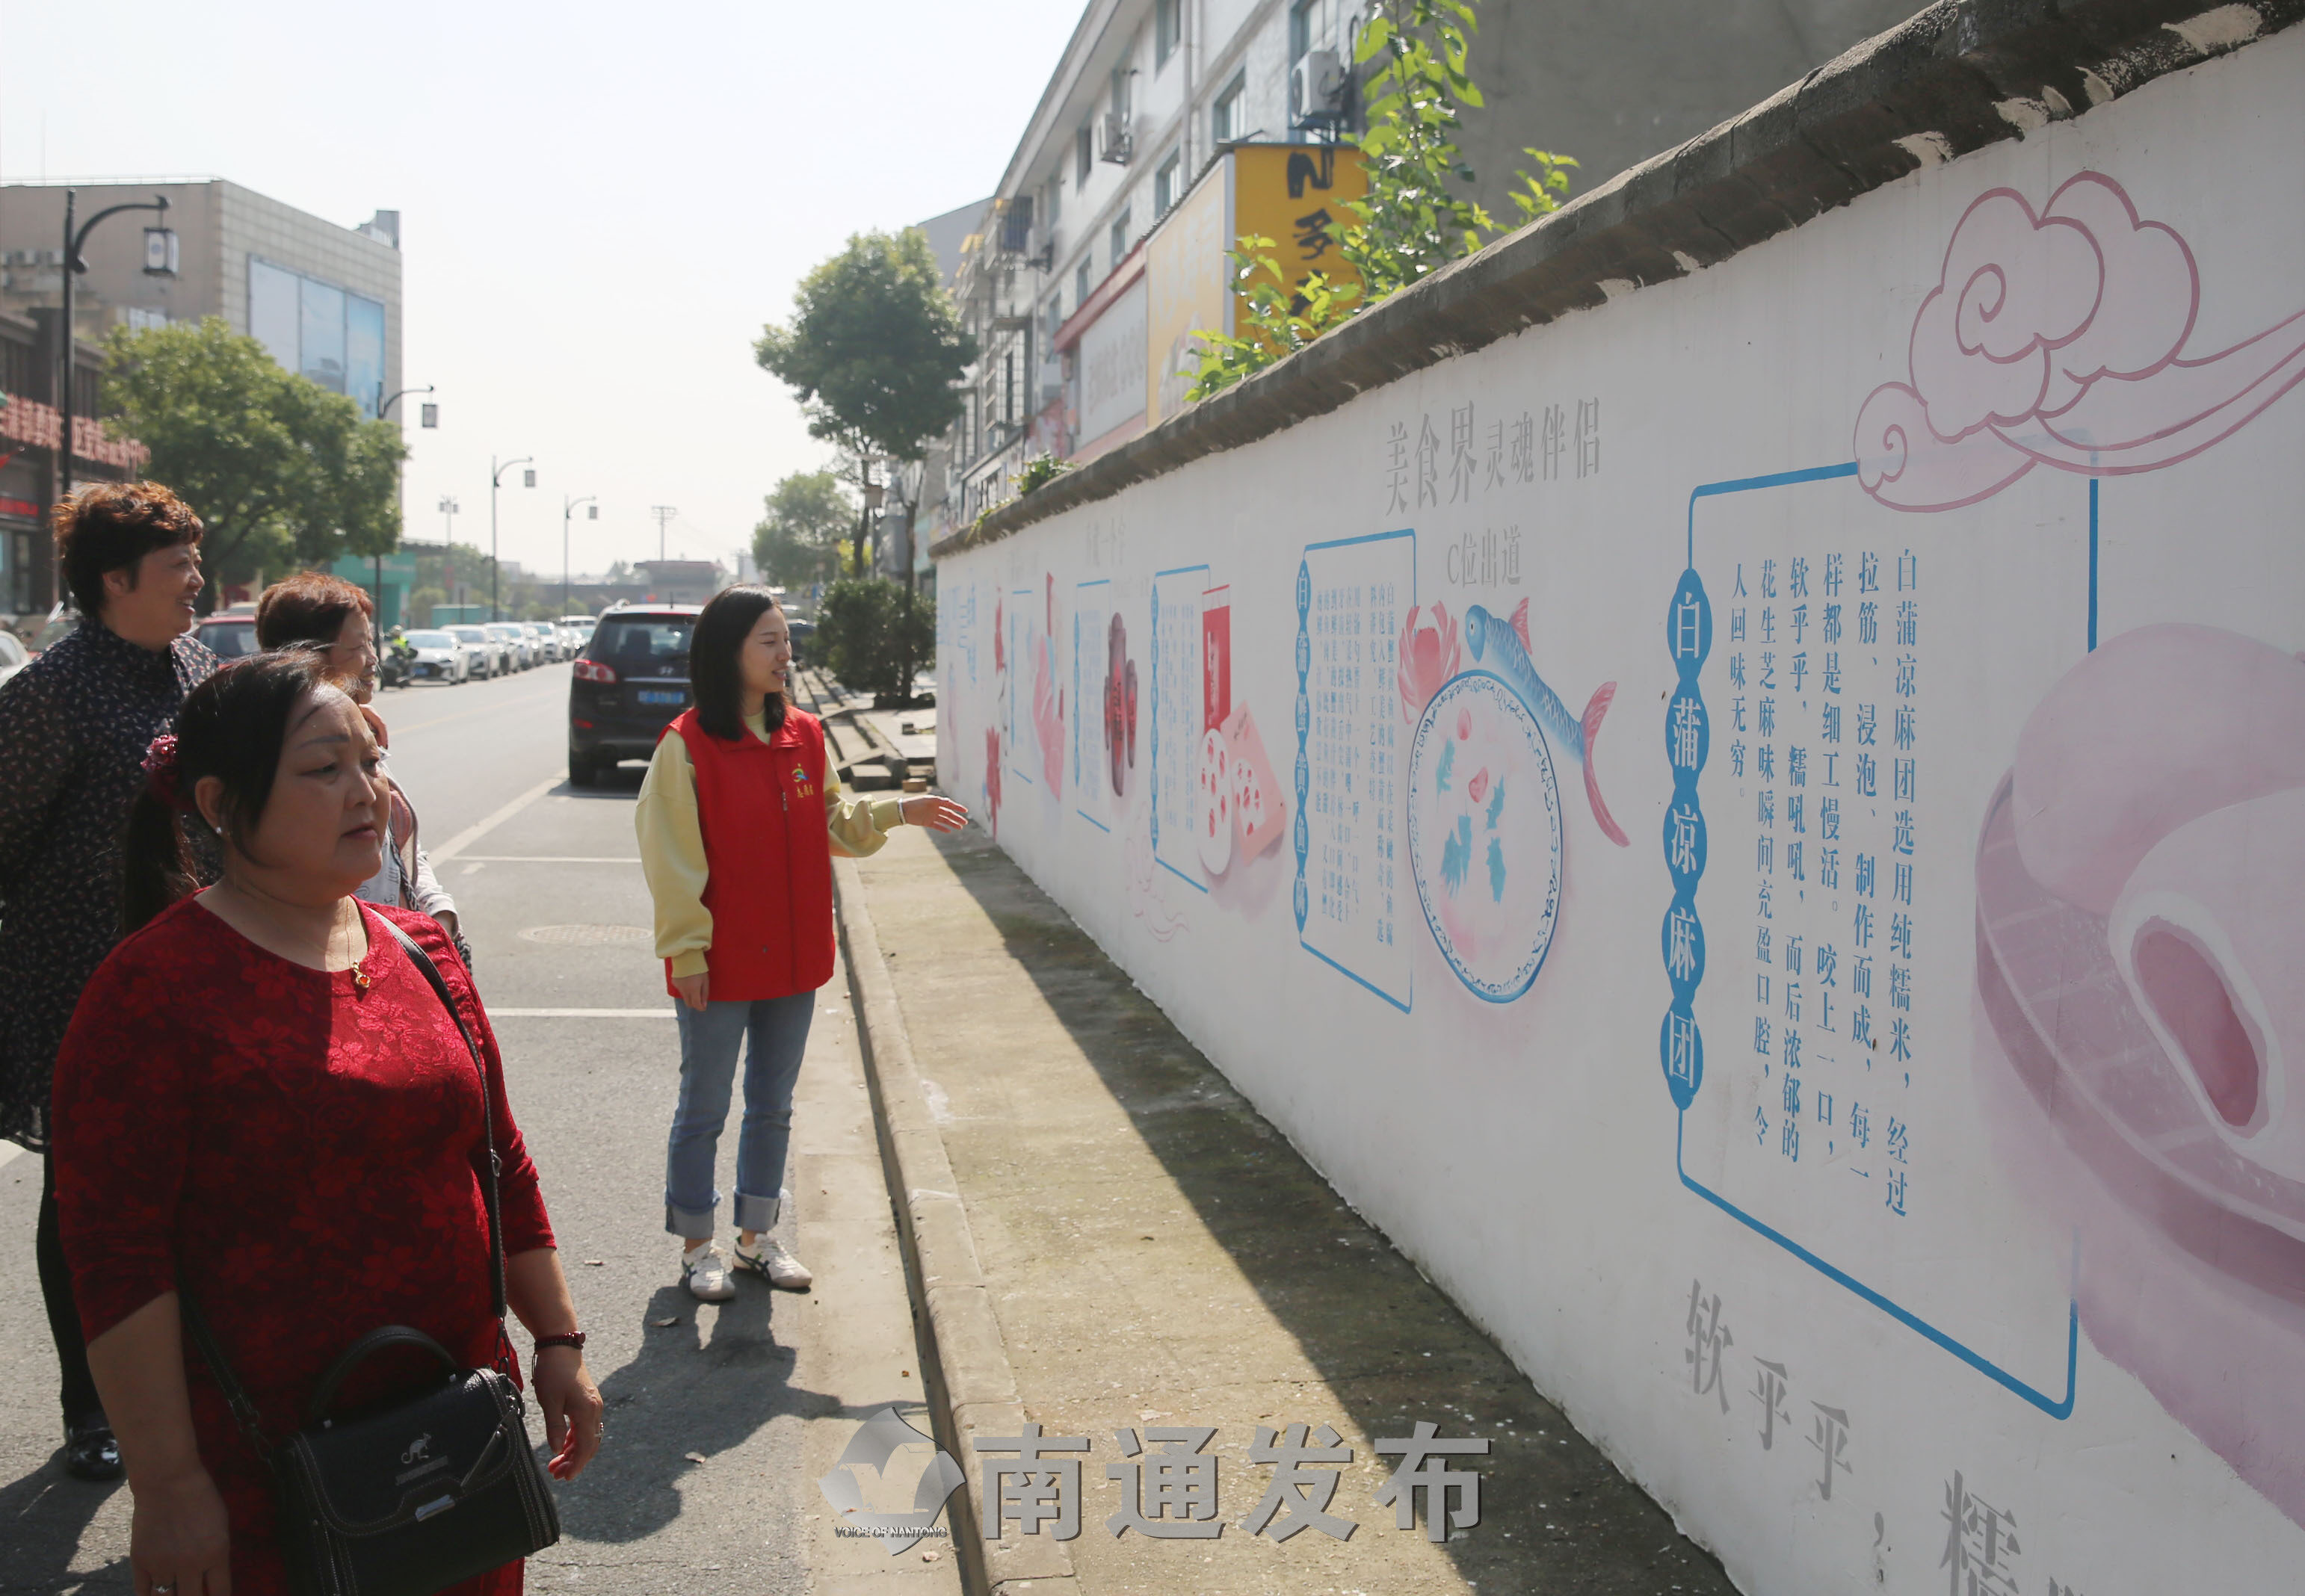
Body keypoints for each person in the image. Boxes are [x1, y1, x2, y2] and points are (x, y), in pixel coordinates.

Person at [51, 649, 602, 1596]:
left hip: (458, 1437)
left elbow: (498, 1160)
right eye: (324, 768)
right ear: (221, 803)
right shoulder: (150, 993)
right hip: (268, 1478)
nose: (366, 792)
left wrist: (558, 1342)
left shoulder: (422, 950)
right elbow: (117, 1261)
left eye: (372, 762)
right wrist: (169, 1485)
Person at [636, 585, 966, 1299]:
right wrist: (686, 952)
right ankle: (697, 1247)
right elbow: (671, 860)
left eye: (786, 639)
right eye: (769, 641)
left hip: (792, 956)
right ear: (729, 652)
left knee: (773, 1104)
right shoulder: (686, 746)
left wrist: (900, 809)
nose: (785, 653)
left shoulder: (805, 737)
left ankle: (756, 1239)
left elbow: (835, 821)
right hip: (720, 962)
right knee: (705, 1108)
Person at [0, 482, 217, 1481]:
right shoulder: (49, 695)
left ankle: (196, 1385)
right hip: (77, 983)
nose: (196, 579)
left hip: (198, 977)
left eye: (194, 558)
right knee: (87, 1198)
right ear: (114, 580)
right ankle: (91, 1407)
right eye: (178, 564)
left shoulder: (200, 672)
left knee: (197, 1186)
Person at [254, 572, 460, 944]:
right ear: (309, 656)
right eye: (359, 645)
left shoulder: (362, 733)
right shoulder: (274, 755)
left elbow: (399, 852)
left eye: (368, 765)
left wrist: (438, 914)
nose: (373, 660)